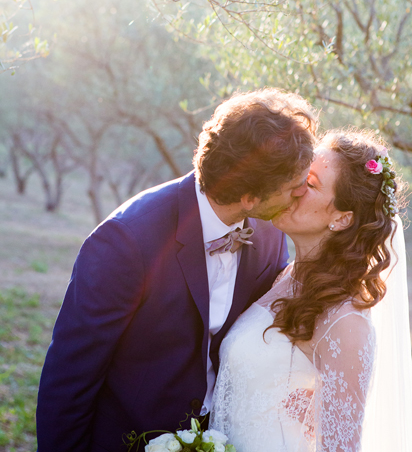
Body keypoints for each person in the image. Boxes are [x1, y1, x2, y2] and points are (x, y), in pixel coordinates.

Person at [36, 88, 319, 452]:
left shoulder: (268, 235)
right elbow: (70, 376)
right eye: (295, 187)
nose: (300, 194)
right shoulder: (125, 241)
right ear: (250, 197)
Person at [211, 128, 412, 451]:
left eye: (311, 184)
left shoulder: (346, 322)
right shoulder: (283, 277)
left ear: (342, 218)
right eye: (299, 174)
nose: (294, 187)